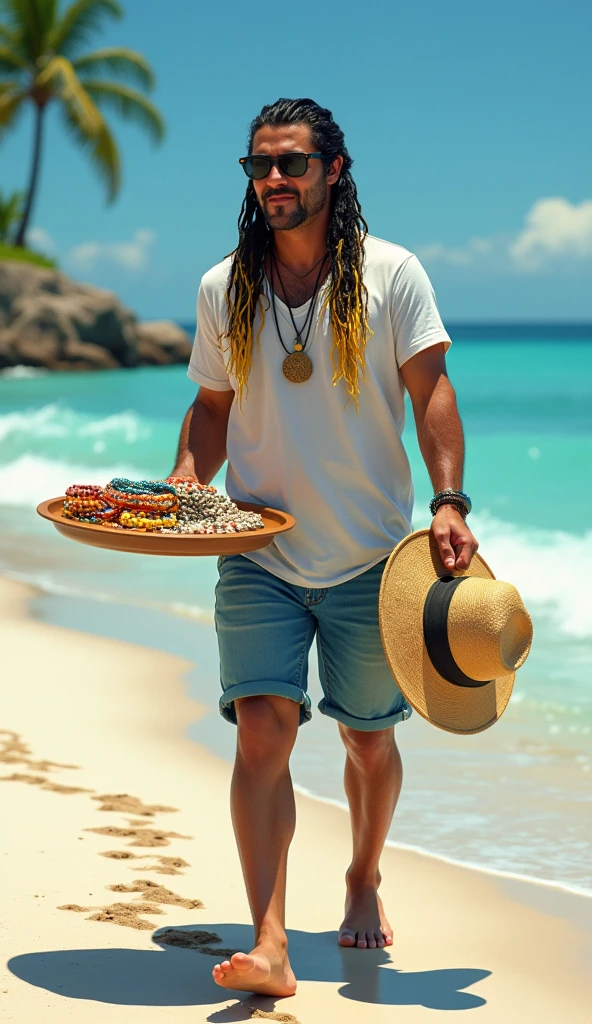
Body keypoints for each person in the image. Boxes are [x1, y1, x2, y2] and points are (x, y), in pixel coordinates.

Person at [171, 97, 479, 998]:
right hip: (259, 548)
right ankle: (269, 943)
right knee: (262, 729)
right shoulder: (224, 286)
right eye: (260, 165)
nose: (273, 179)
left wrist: (450, 500)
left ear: (333, 170)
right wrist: (189, 477)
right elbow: (215, 406)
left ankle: (363, 872)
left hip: (372, 560)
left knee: (367, 740)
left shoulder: (391, 274)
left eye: (292, 164)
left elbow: (431, 391)